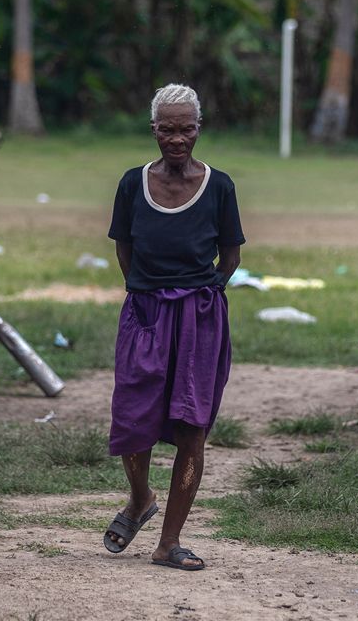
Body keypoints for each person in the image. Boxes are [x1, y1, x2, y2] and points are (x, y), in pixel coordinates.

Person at [102, 84, 243, 571]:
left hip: (200, 320)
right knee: (133, 419)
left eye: (186, 129)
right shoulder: (131, 183)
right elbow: (124, 249)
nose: (177, 138)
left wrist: (201, 299)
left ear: (198, 129)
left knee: (191, 429)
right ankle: (140, 499)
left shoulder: (219, 186)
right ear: (154, 130)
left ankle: (169, 542)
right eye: (167, 129)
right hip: (144, 313)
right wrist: (148, 294)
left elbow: (231, 257)